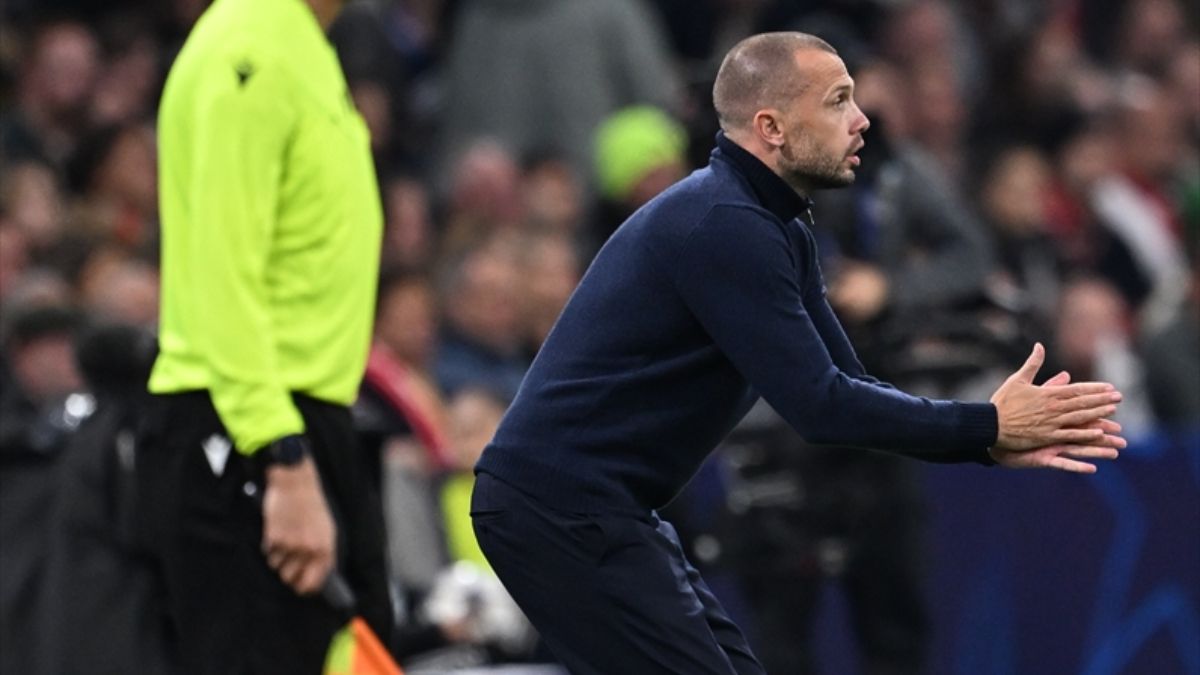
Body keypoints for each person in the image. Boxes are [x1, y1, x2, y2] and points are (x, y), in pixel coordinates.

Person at [470, 32, 1127, 674]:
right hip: (557, 509)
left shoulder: (778, 225)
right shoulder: (725, 223)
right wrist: (984, 426)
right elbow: (822, 406)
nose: (863, 119)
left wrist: (985, 435)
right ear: (772, 128)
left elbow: (849, 384)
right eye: (838, 101)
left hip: (605, 510)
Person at [140, 0, 391, 672]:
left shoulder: (302, 42)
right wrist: (281, 454)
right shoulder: (249, 46)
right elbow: (220, 269)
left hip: (305, 420)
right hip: (249, 428)